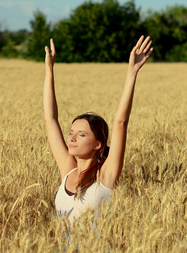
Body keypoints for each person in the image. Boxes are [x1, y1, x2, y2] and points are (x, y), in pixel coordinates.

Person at [43, 36, 154, 224]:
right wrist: (49, 70)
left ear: (98, 144)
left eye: (82, 134)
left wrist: (132, 72)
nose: (72, 138)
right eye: (71, 133)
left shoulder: (105, 176)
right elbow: (50, 119)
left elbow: (120, 123)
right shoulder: (68, 170)